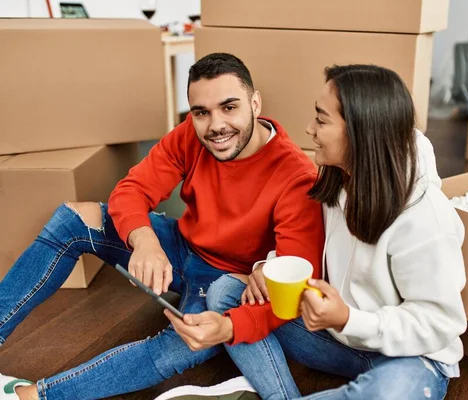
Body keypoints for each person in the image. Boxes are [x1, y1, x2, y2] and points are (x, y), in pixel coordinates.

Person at [0, 53, 324, 400]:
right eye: (201, 112)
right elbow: (132, 189)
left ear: (255, 102)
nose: (215, 125)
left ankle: (31, 396)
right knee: (73, 218)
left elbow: (291, 284)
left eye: (229, 107)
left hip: (227, 281)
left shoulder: (297, 177)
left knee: (181, 345)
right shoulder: (193, 135)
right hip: (180, 246)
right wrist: (145, 242)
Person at [165, 64, 468, 400]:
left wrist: (350, 318)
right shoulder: (338, 182)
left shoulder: (425, 219)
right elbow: (306, 248)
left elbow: (441, 323)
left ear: (360, 131)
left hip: (411, 358)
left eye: (321, 119)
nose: (309, 129)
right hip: (339, 338)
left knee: (386, 393)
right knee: (226, 292)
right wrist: (268, 265)